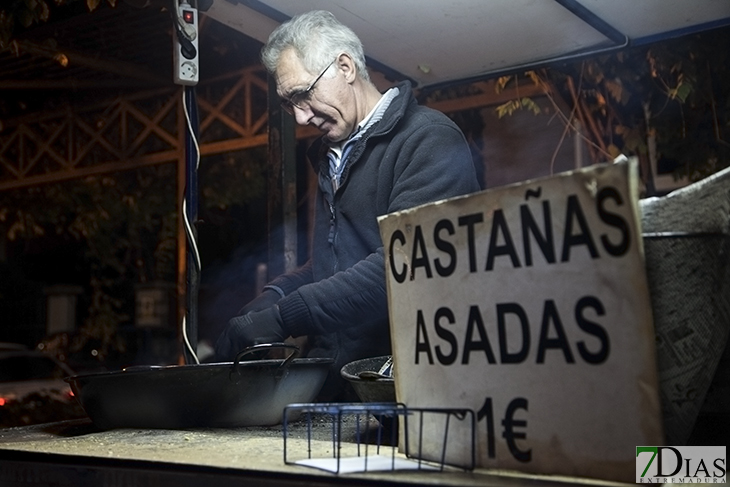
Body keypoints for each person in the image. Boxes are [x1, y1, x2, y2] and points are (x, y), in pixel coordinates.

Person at [215, 10, 481, 400]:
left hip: (406, 389)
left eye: (303, 95)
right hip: (336, 384)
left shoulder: (428, 140)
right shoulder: (333, 154)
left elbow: (403, 265)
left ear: (345, 66)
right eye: (289, 104)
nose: (301, 116)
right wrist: (276, 293)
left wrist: (282, 318)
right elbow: (337, 262)